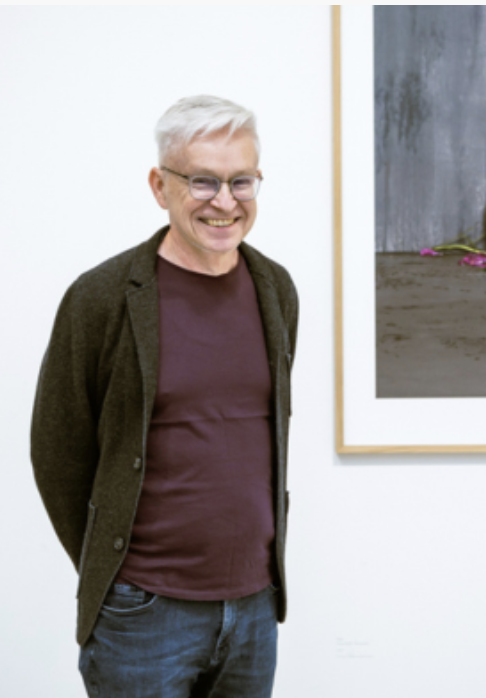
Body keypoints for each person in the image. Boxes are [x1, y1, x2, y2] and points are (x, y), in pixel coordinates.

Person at [31, 95, 297, 698]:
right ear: (160, 185)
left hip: (254, 609)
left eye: (241, 181)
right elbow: (56, 452)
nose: (225, 201)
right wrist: (113, 569)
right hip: (143, 614)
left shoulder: (276, 289)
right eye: (203, 181)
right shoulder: (101, 297)